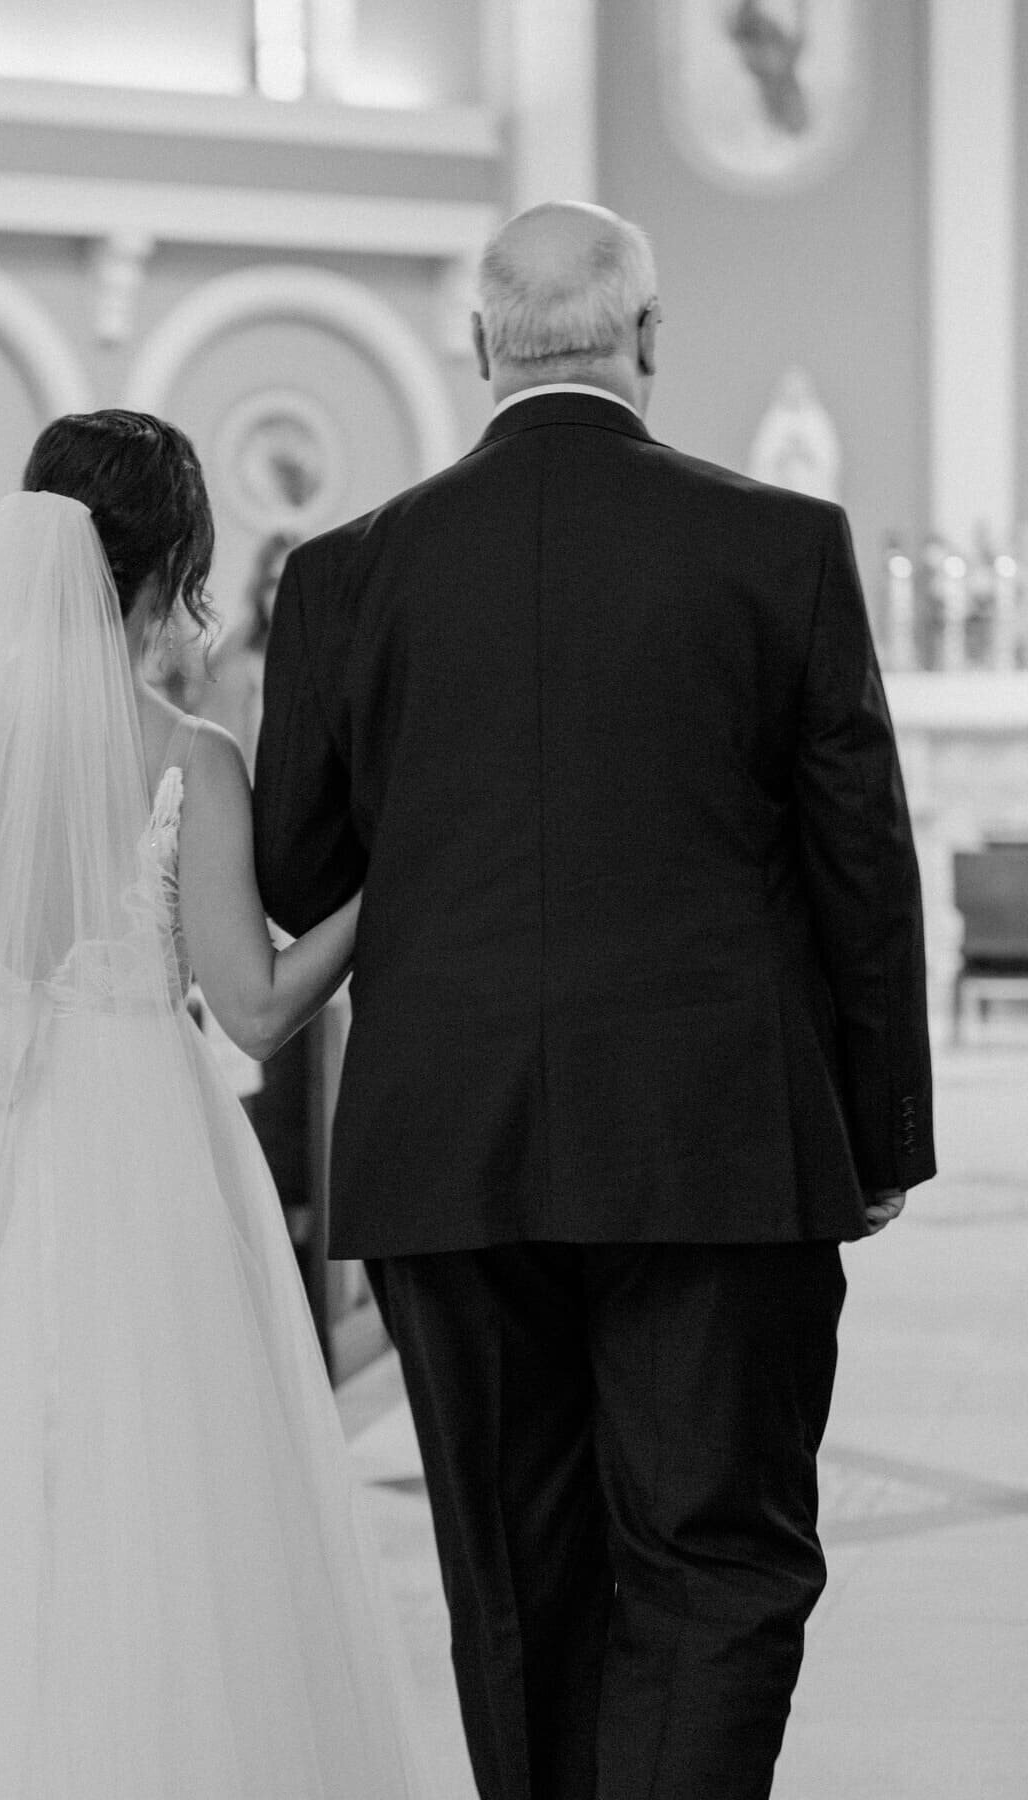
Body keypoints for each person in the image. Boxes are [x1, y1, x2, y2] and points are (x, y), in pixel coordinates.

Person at [253, 202, 935, 1800]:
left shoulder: (348, 572)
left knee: (515, 1579)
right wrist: (883, 1134)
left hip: (449, 1149)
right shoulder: (779, 544)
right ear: (647, 341)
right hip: (720, 1145)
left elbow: (298, 865)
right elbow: (862, 862)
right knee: (718, 1560)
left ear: (480, 347)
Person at [0, 411, 436, 1799]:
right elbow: (263, 1005)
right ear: (173, 564)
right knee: (151, 1495)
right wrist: (389, 879)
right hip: (134, 1146)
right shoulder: (187, 757)